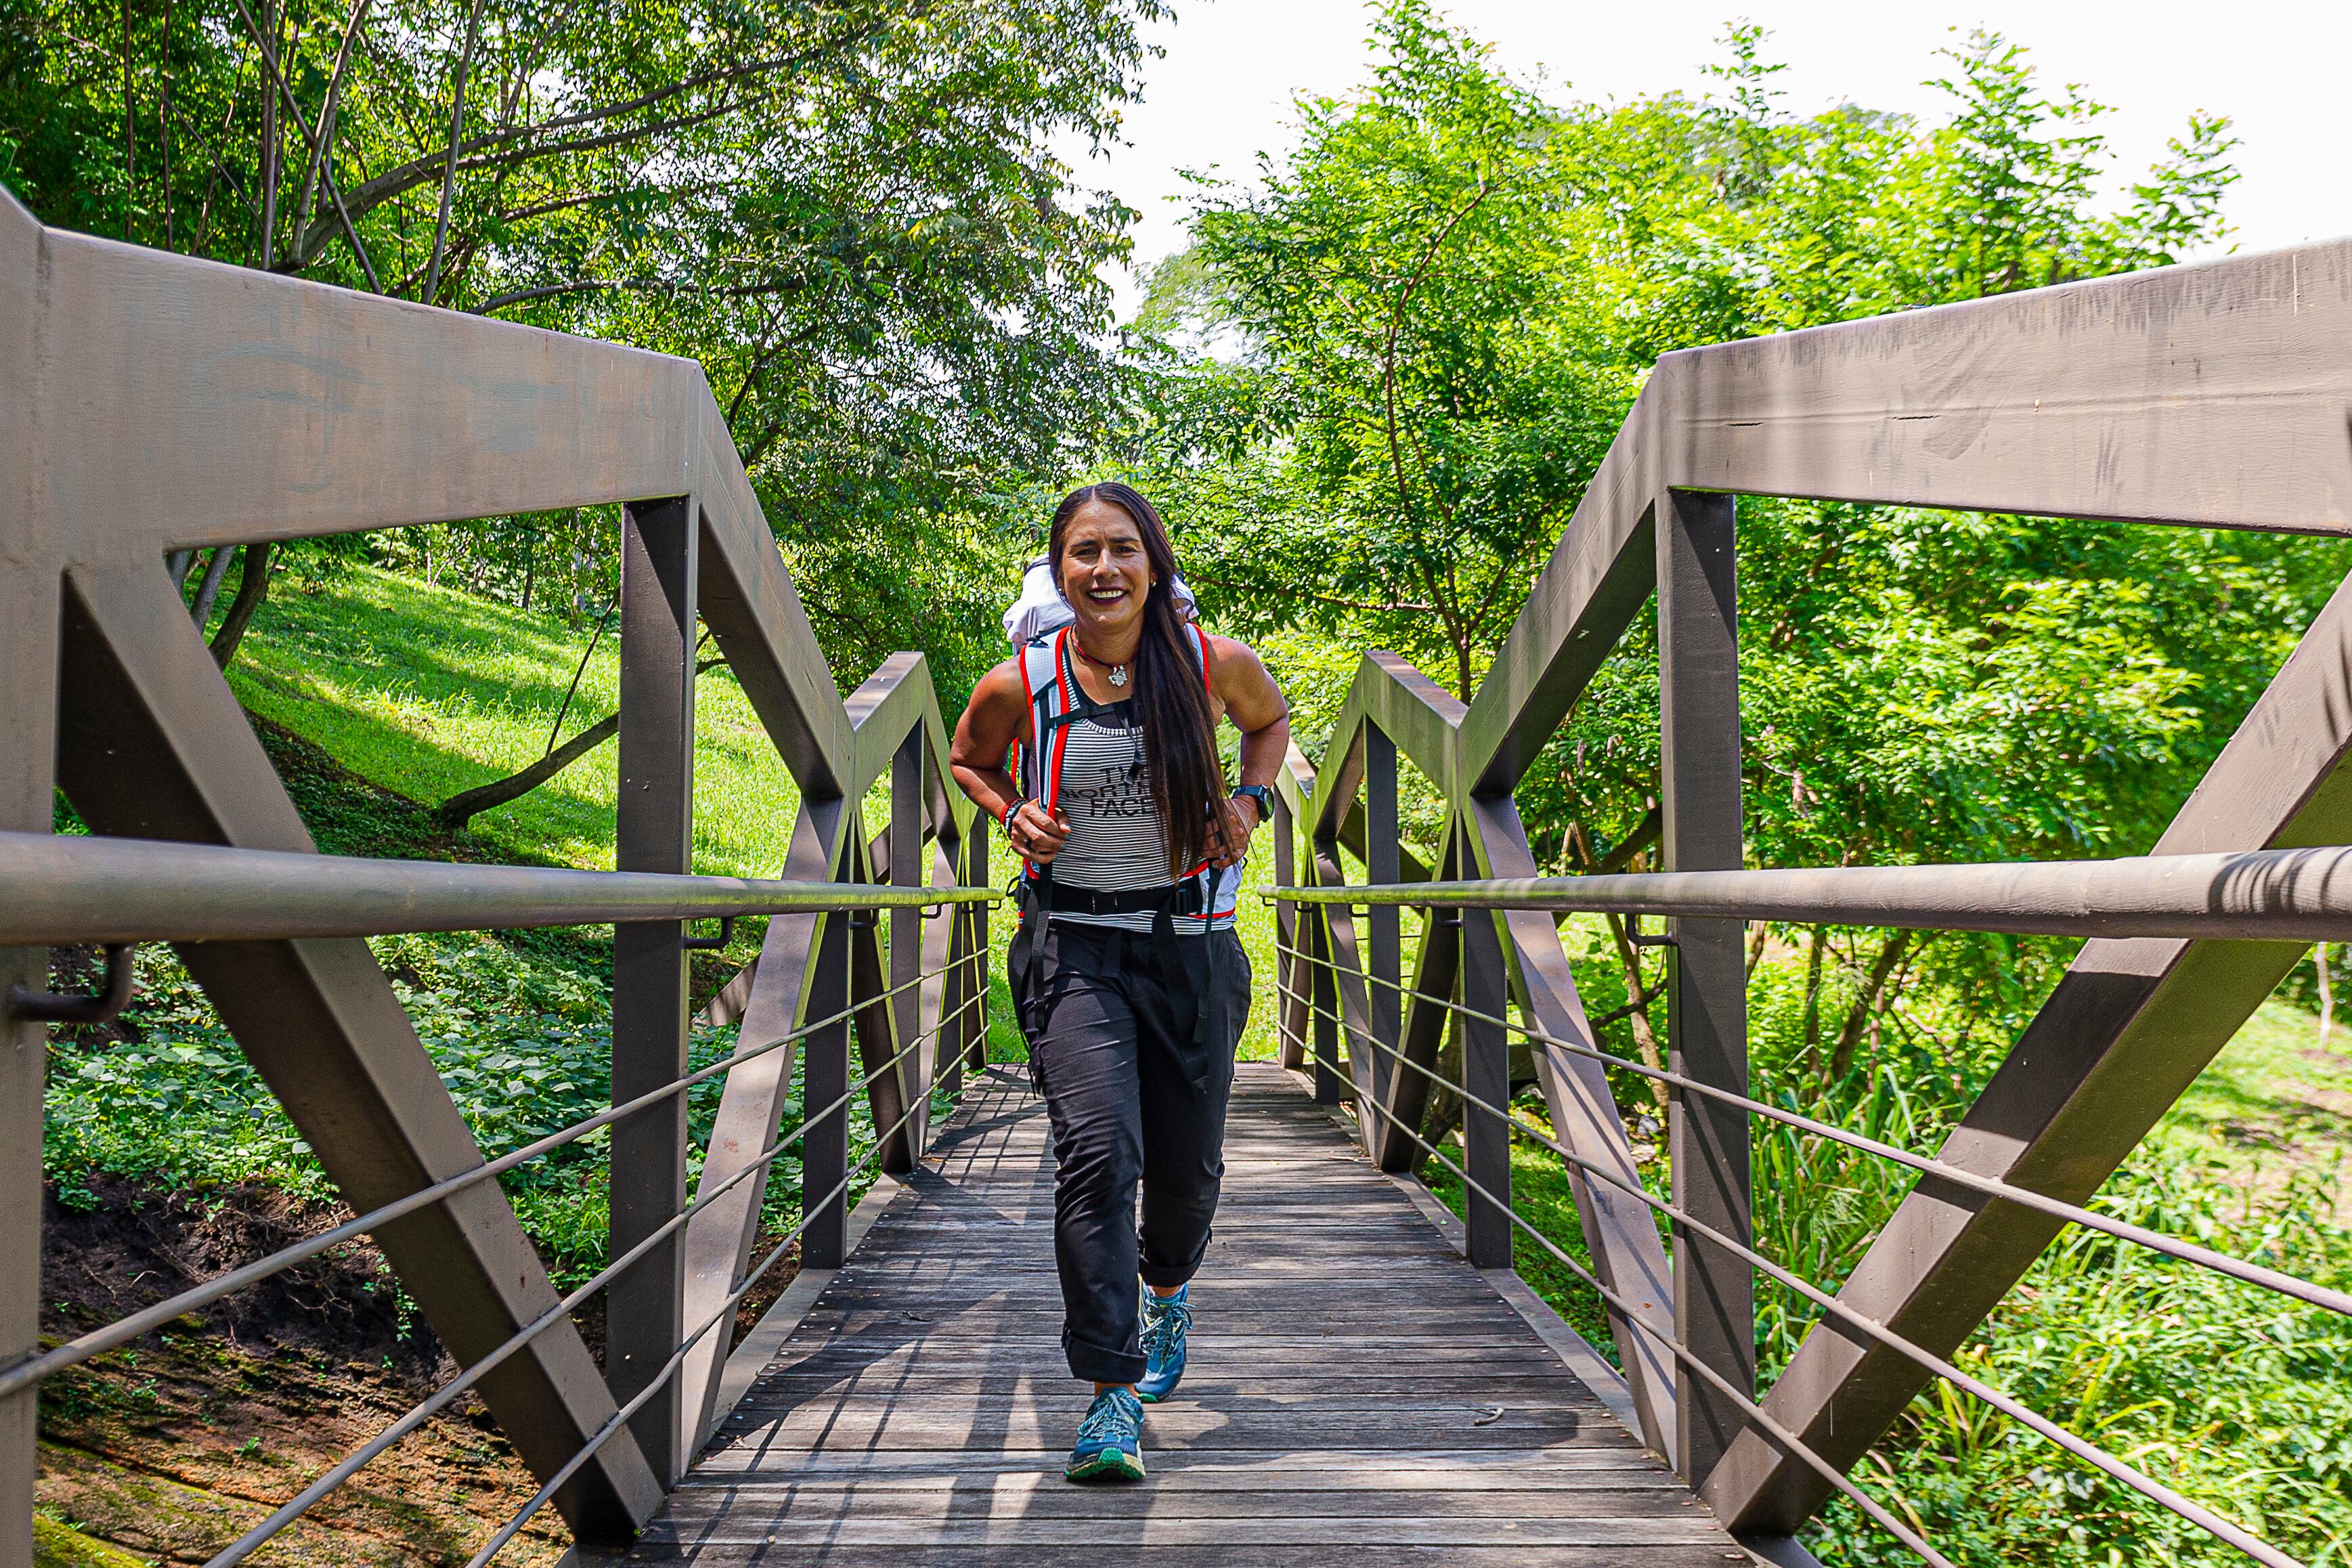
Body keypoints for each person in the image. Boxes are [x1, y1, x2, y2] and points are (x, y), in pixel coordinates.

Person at [949, 482, 1291, 1483]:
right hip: (1075, 949)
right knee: (1098, 1160)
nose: (1103, 569)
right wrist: (1011, 811)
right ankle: (1109, 1394)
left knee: (1184, 1180)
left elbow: (1266, 730)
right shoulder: (1022, 678)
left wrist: (1250, 799)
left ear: (1154, 564)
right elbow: (971, 761)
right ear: (1059, 571)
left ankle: (1169, 1287)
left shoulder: (1211, 665)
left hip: (1191, 946)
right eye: (1083, 553)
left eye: (1123, 550)